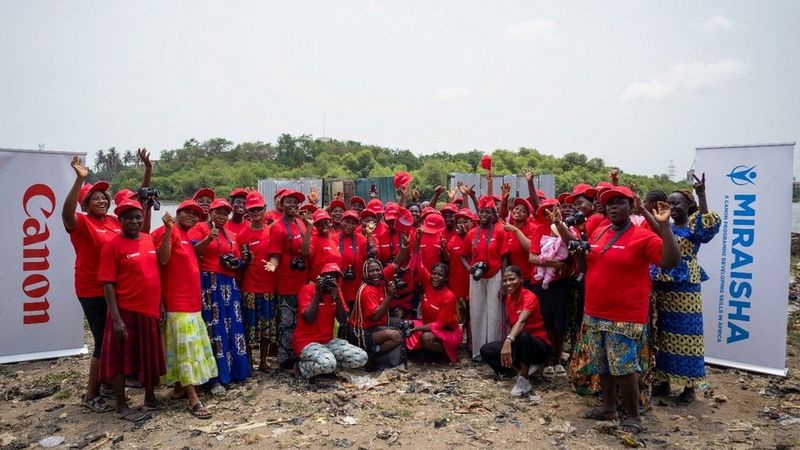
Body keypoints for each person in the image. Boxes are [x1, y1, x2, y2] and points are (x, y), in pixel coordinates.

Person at [555, 185, 680, 434]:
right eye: (609, 203)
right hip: (595, 311)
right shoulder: (600, 232)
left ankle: (633, 416)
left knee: (623, 368)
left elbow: (670, 261)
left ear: (630, 206)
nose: (613, 207)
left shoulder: (642, 236)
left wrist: (664, 225)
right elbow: (585, 264)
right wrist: (562, 229)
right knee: (601, 364)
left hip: (624, 315)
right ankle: (608, 407)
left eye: (619, 202)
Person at [651, 174, 720, 403]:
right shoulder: (665, 224)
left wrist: (701, 195)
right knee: (662, 334)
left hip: (685, 289)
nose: (672, 207)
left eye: (676, 203)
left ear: (688, 205)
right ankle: (663, 382)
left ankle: (689, 388)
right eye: (669, 203)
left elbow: (707, 231)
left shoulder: (692, 225)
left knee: (688, 337)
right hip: (661, 284)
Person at [97, 199, 166, 422]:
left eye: (138, 217)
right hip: (125, 310)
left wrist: (161, 303)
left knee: (147, 356)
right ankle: (121, 404)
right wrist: (116, 319)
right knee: (120, 359)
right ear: (120, 220)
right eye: (128, 217)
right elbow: (108, 284)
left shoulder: (149, 240)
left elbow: (156, 274)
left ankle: (150, 396)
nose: (134, 221)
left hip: (149, 310)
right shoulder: (112, 246)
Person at [62, 156, 120, 413]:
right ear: (84, 203)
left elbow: (137, 233)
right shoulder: (82, 222)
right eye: (96, 197)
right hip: (92, 289)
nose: (102, 200)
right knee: (101, 340)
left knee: (112, 339)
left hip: (115, 288)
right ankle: (91, 394)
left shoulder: (113, 222)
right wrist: (79, 179)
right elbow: (66, 214)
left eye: (105, 197)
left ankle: (107, 382)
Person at [151, 202, 217, 419]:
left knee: (185, 348)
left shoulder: (187, 236)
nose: (192, 216)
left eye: (196, 214)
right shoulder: (166, 231)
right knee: (186, 350)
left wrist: (207, 240)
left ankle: (179, 389)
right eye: (187, 212)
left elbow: (191, 255)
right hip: (176, 302)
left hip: (191, 303)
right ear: (177, 213)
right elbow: (162, 259)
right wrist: (169, 230)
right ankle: (193, 398)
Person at [189, 198, 252, 393]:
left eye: (226, 213)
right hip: (209, 284)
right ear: (210, 212)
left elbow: (239, 261)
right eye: (218, 212)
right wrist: (208, 238)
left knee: (233, 327)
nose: (222, 216)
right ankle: (214, 378)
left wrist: (238, 263)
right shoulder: (199, 228)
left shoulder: (232, 234)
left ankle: (236, 372)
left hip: (229, 284)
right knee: (214, 329)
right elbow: (192, 252)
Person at [480, 266, 550, 396]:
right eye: (505, 281)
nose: (508, 283)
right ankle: (512, 372)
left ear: (521, 279)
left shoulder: (530, 297)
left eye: (512, 279)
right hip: (518, 341)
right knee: (486, 350)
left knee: (523, 336)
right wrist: (508, 344)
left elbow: (521, 321)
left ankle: (524, 380)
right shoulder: (509, 299)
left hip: (538, 345)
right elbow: (510, 323)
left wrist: (508, 340)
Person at [293, 264, 368, 378]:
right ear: (320, 278)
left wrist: (337, 297)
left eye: (335, 278)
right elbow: (309, 318)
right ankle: (301, 368)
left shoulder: (336, 292)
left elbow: (342, 320)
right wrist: (318, 293)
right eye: (327, 277)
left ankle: (327, 367)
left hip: (328, 342)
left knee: (361, 358)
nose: (330, 281)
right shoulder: (308, 289)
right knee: (328, 363)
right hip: (306, 342)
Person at [529, 199, 573, 379]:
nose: (549, 214)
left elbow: (573, 249)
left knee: (560, 323)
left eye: (553, 210)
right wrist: (555, 263)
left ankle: (558, 359)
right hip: (541, 285)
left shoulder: (567, 228)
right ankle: (547, 359)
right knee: (545, 322)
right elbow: (532, 257)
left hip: (561, 284)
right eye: (546, 211)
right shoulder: (538, 230)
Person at [461, 195, 508, 362]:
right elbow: (463, 256)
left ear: (493, 215)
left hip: (495, 274)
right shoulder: (472, 233)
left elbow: (504, 258)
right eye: (482, 212)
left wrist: (504, 283)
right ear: (478, 214)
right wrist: (469, 268)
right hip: (476, 277)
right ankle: (478, 352)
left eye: (488, 212)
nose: (484, 215)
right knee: (477, 311)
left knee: (494, 313)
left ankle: (493, 351)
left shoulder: (500, 231)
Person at [264, 190, 308, 368]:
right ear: (281, 204)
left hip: (302, 280)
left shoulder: (300, 223)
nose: (293, 205)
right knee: (287, 321)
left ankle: (299, 353)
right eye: (289, 202)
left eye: (296, 203)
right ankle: (284, 359)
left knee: (301, 320)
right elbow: (275, 254)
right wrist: (273, 264)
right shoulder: (276, 227)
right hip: (287, 281)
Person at [406, 229, 462, 363]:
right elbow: (417, 264)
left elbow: (439, 324)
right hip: (427, 326)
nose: (436, 277)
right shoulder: (428, 282)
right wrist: (417, 240)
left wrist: (416, 329)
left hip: (447, 332)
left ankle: (446, 353)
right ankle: (426, 351)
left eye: (440, 275)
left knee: (425, 338)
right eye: (434, 274)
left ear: (445, 278)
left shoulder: (449, 296)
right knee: (404, 326)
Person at [237, 191, 277, 372]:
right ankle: (249, 362)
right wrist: (245, 261)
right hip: (250, 287)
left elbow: (277, 255)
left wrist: (273, 264)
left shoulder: (272, 231)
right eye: (252, 210)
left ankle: (263, 361)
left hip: (269, 286)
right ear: (247, 211)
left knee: (267, 327)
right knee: (250, 327)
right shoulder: (242, 235)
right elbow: (240, 263)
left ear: (265, 209)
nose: (255, 212)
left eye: (258, 209)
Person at [347, 259, 403, 367]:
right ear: (365, 273)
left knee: (402, 324)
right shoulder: (367, 290)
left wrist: (405, 245)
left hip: (374, 326)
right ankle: (371, 355)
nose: (375, 273)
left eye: (378, 270)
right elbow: (375, 317)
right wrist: (390, 296)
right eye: (371, 271)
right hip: (361, 332)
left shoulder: (381, 282)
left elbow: (396, 263)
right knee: (396, 336)